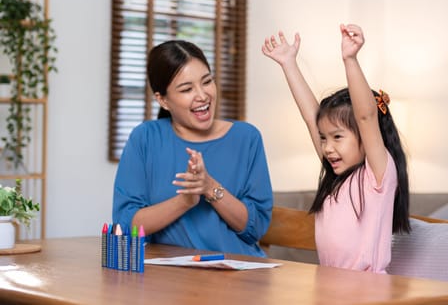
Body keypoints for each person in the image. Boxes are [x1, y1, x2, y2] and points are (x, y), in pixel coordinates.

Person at [262, 24, 410, 272]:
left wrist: (350, 59)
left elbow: (365, 117)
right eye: (323, 138)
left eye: (337, 137)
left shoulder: (377, 177)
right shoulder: (337, 178)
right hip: (330, 288)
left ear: (365, 136)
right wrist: (288, 64)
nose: (328, 148)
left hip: (367, 293)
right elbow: (311, 117)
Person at [113, 40, 273, 257]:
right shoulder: (145, 138)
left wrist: (210, 187)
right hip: (169, 281)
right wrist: (184, 202)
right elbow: (126, 227)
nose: (202, 95)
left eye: (207, 81)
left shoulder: (246, 138)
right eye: (187, 89)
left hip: (237, 278)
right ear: (163, 100)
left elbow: (256, 228)